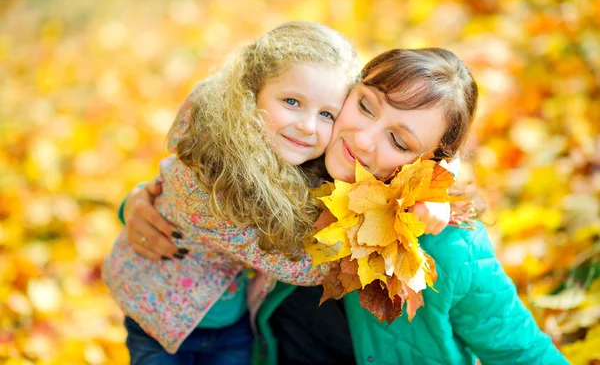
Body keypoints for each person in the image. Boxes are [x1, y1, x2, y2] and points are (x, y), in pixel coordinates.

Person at [122, 47, 569, 364]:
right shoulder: (301, 155)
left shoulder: (449, 246)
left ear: (430, 164)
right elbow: (205, 181)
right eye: (366, 106)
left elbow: (521, 352)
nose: (363, 138)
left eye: (398, 141)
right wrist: (140, 201)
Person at [102, 21, 360, 364]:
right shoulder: (213, 179)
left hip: (229, 316)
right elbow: (300, 267)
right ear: (250, 94)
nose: (307, 125)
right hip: (161, 317)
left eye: (327, 113)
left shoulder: (281, 150)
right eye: (292, 101)